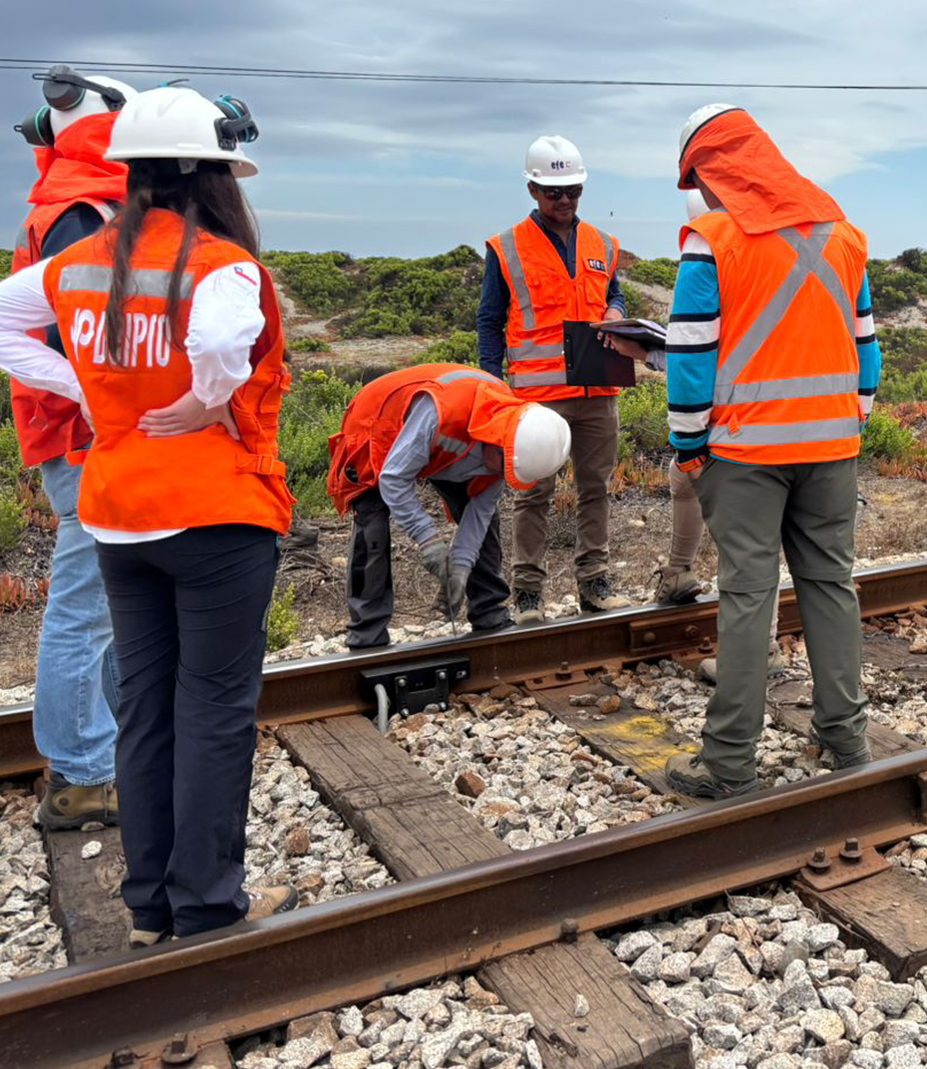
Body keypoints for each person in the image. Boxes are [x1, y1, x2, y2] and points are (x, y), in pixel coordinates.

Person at [0, 85, 297, 945]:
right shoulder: (220, 264)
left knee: (146, 705)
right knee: (213, 709)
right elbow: (221, 345)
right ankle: (205, 906)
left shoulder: (81, 261)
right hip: (214, 516)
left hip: (118, 515)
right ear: (213, 177)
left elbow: (8, 319)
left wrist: (83, 388)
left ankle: (149, 905)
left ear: (129, 173)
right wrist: (207, 398)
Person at [662, 105, 881, 800]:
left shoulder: (714, 240)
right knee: (831, 584)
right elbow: (867, 346)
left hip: (745, 453)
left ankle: (729, 762)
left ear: (715, 168)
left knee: (748, 596)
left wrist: (689, 446)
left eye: (698, 179)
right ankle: (846, 739)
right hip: (832, 446)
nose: (701, 193)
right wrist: (850, 420)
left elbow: (691, 356)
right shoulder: (843, 233)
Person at [11, 65, 136, 829]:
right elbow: (81, 332)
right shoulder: (85, 210)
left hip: (73, 428)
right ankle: (82, 780)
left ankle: (104, 756)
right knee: (87, 607)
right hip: (84, 434)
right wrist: (105, 400)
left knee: (104, 604)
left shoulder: (69, 201)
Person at [602, 190, 786, 676]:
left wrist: (652, 356)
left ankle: (758, 652)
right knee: (683, 477)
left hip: (746, 426)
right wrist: (648, 353)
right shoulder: (758, 263)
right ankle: (679, 573)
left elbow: (705, 359)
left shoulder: (726, 268)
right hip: (748, 418)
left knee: (749, 539)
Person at [478, 135, 631, 622]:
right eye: (554, 192)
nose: (565, 200)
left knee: (596, 489)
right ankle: (527, 593)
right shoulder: (507, 248)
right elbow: (490, 322)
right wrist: (492, 388)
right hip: (537, 397)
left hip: (597, 389)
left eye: (573, 191)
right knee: (533, 494)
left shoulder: (602, 244)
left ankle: (595, 582)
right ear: (532, 189)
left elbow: (615, 295)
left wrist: (615, 310)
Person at [327, 363, 572, 647]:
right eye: (502, 464)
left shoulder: (511, 443)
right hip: (378, 422)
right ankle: (367, 634)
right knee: (372, 526)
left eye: (509, 470)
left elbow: (477, 516)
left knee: (487, 520)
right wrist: (429, 542)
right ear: (498, 439)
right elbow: (393, 479)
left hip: (444, 447)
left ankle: (489, 613)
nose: (502, 474)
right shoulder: (442, 413)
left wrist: (460, 568)